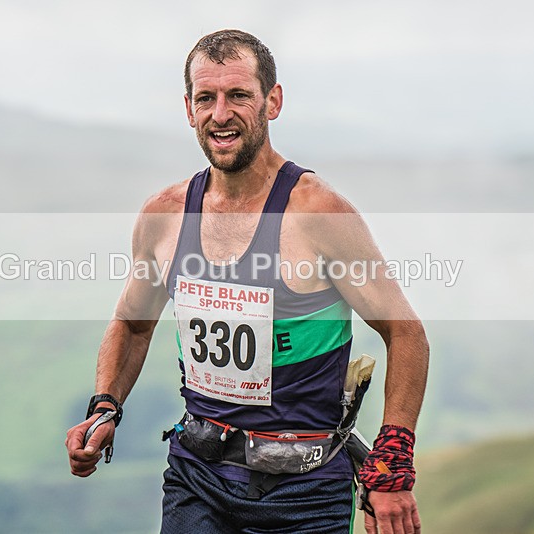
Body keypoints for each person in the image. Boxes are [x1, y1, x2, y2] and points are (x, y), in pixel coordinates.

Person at [65, 29, 429, 534]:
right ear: (188, 107)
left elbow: (406, 332)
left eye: (238, 95)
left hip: (304, 493)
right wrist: (106, 406)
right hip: (196, 477)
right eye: (206, 98)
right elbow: (132, 325)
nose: (220, 114)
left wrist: (392, 462)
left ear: (272, 101)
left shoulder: (317, 212)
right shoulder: (164, 215)